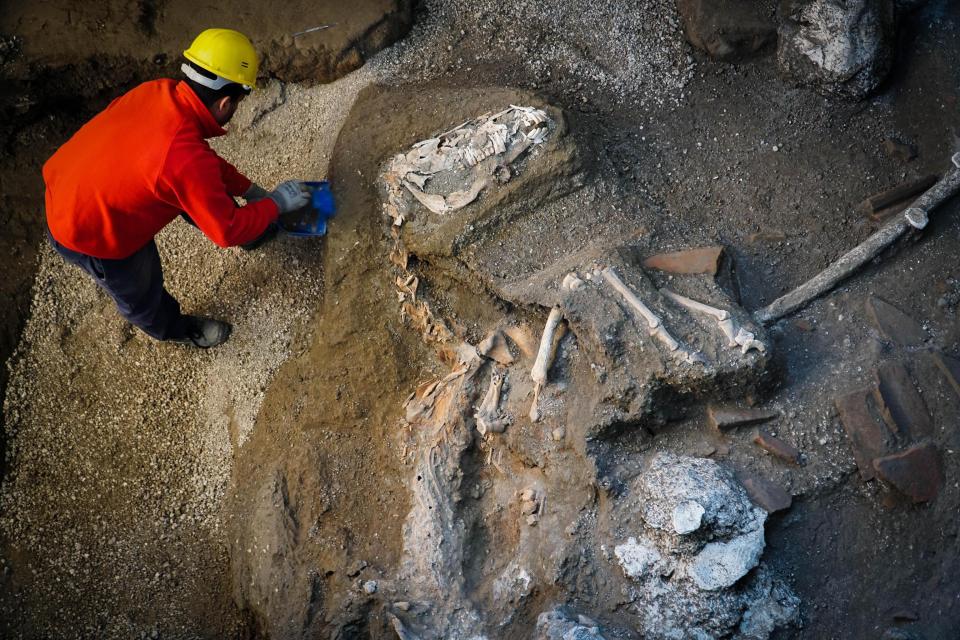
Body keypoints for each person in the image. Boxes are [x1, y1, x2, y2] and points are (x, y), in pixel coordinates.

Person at [42, 28, 309, 348]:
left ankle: (256, 233)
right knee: (140, 288)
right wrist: (276, 204)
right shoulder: (184, 159)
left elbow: (200, 166)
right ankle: (176, 329)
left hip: (73, 182)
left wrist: (250, 190)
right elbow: (226, 230)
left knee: (198, 191)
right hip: (89, 228)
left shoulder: (157, 92)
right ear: (225, 103)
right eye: (239, 102)